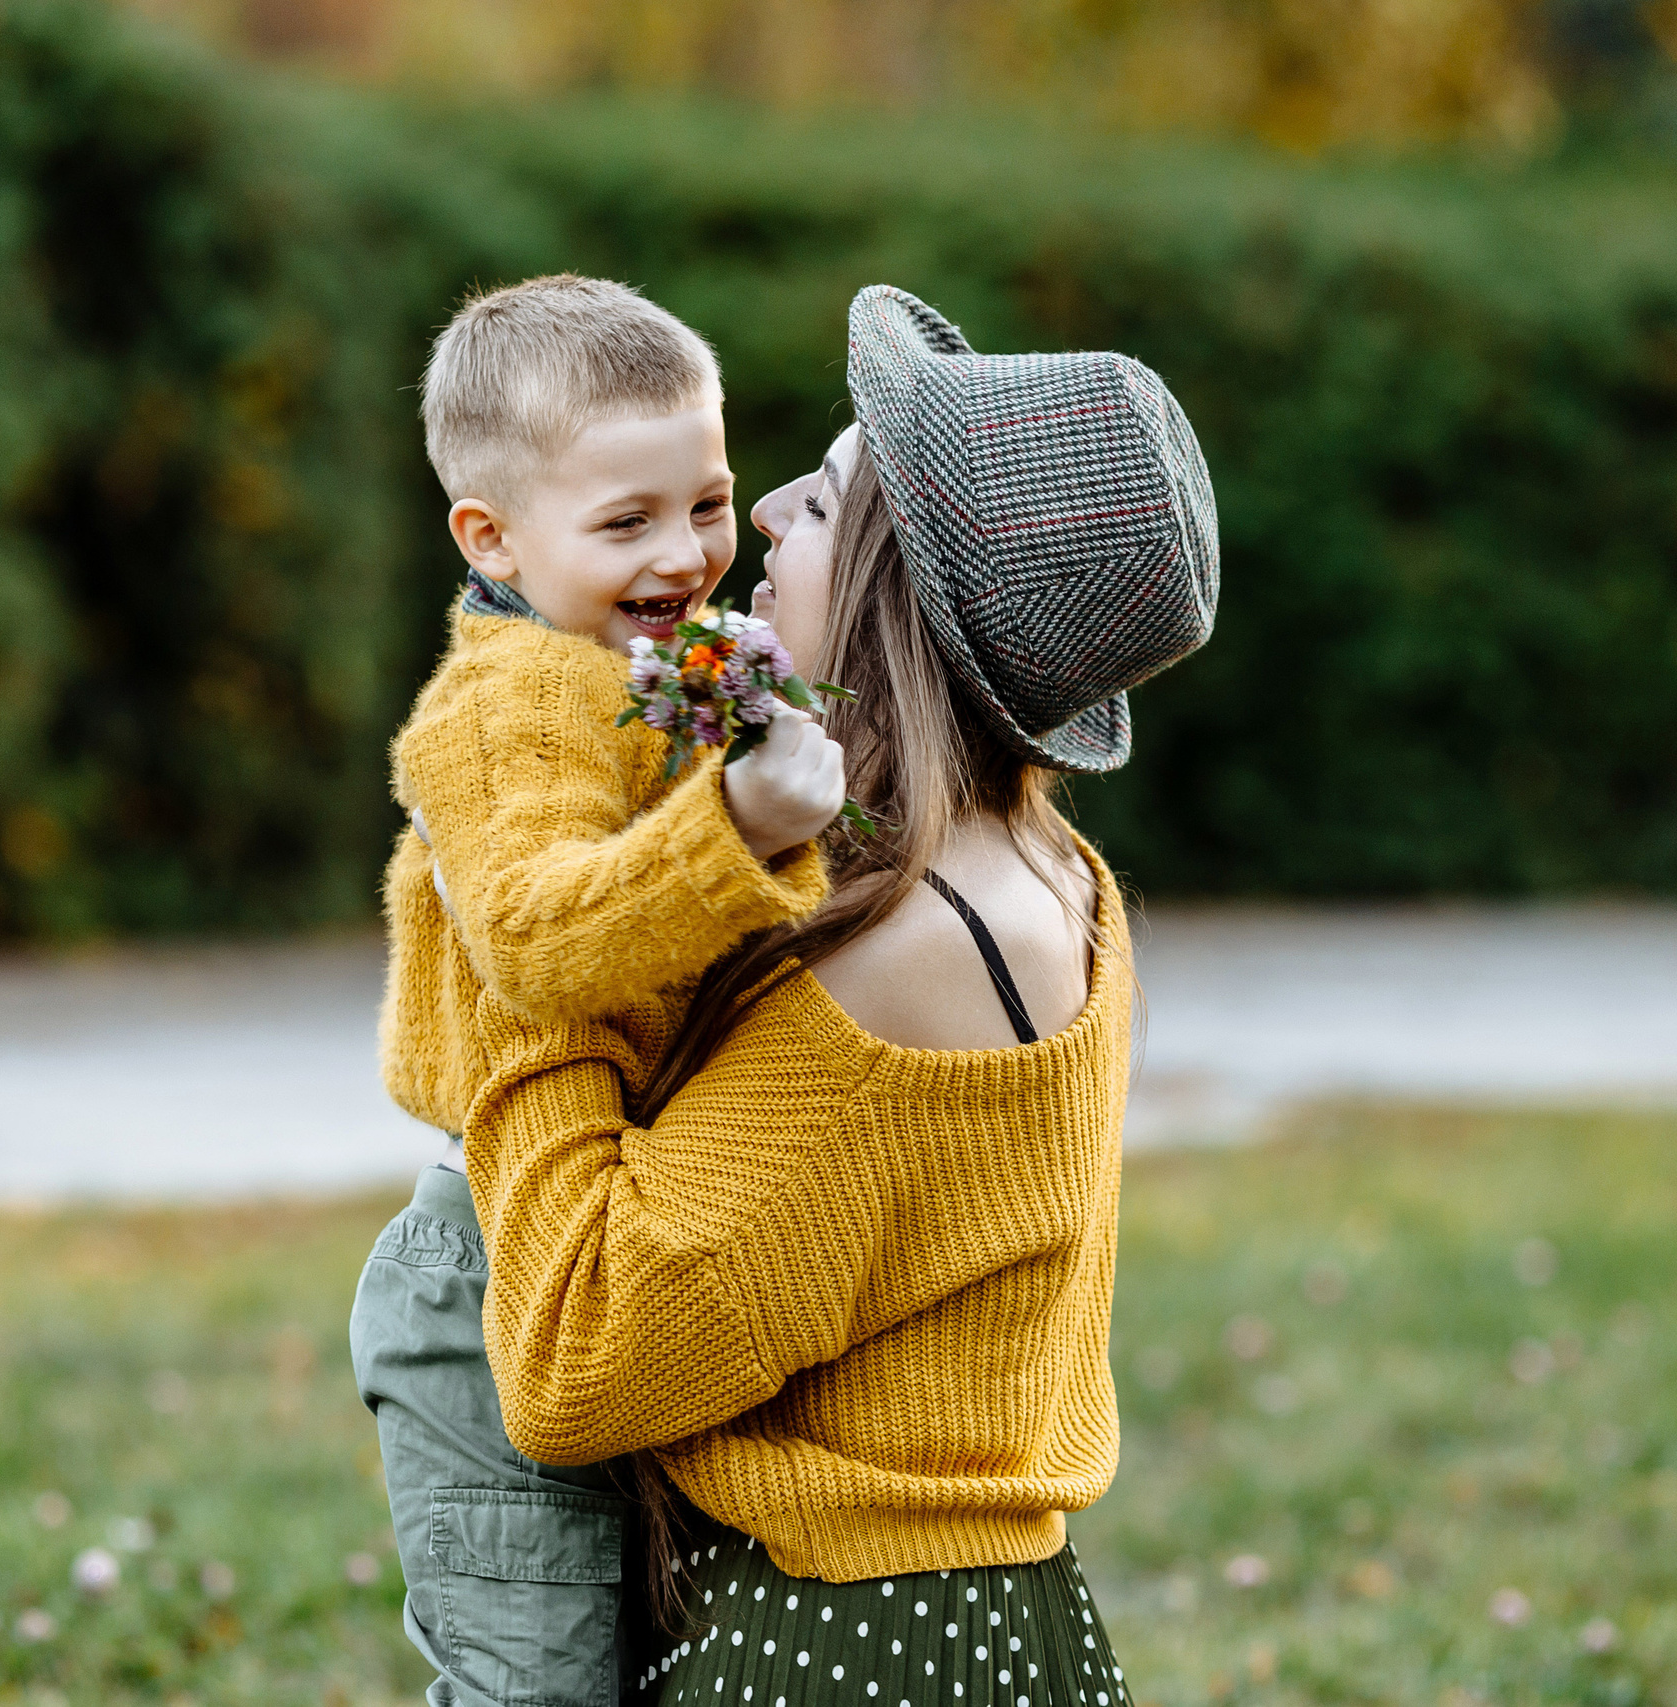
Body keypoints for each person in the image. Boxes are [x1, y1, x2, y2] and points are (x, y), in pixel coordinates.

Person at [458, 285, 1220, 1704]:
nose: (758, 521)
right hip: (978, 1631)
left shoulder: (911, 954)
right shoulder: (1041, 874)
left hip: (844, 1649)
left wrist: (530, 965)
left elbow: (578, 1361)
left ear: (892, 593)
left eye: (817, 506)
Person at [349, 273, 850, 1707]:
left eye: (705, 501)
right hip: (490, 1271)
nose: (687, 553)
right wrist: (741, 828)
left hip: (609, 1235)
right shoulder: (512, 701)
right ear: (490, 536)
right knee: (540, 1688)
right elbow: (534, 937)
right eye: (623, 523)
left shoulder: (651, 671)